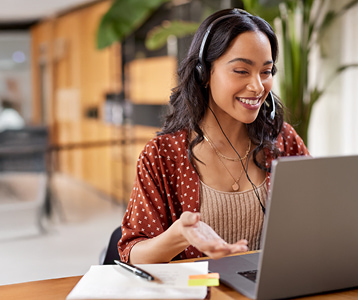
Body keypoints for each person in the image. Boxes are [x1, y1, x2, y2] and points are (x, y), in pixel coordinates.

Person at [118, 8, 309, 264]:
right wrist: (179, 235)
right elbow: (132, 253)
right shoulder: (161, 155)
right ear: (204, 73)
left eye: (266, 71)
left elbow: (315, 221)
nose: (257, 86)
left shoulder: (283, 141)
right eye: (241, 71)